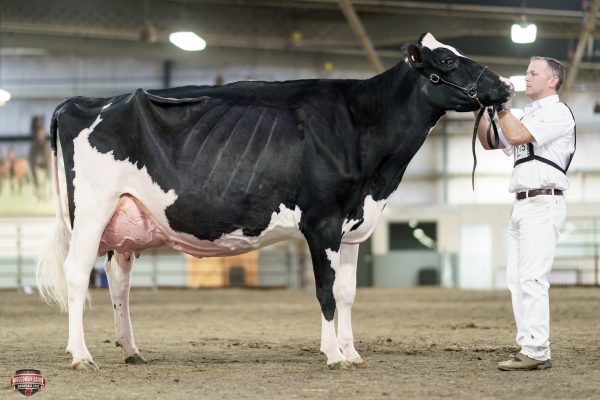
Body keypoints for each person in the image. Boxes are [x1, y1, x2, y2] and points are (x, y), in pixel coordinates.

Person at [475, 56, 576, 371]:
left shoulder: (558, 112)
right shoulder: (525, 114)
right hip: (521, 204)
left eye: (534, 73)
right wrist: (481, 107)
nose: (527, 76)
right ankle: (529, 345)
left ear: (552, 81)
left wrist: (502, 106)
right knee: (517, 281)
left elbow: (517, 136)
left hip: (543, 201)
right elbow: (490, 141)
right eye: (527, 72)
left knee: (532, 278)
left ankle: (536, 350)